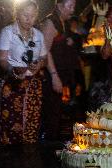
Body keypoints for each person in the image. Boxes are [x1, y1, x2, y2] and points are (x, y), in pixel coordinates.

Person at [0, 0, 47, 144]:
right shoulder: (7, 32)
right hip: (12, 85)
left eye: (32, 16)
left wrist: (38, 65)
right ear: (17, 14)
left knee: (31, 122)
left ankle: (29, 159)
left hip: (33, 86)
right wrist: (14, 69)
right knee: (11, 123)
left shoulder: (38, 35)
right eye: (25, 15)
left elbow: (44, 58)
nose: (29, 19)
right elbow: (2, 59)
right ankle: (9, 160)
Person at [40, 0, 77, 141]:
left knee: (57, 111)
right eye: (70, 6)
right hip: (51, 76)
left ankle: (52, 144)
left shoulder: (63, 22)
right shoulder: (51, 23)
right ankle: (45, 150)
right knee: (50, 113)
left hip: (62, 73)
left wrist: (69, 41)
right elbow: (45, 51)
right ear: (59, 6)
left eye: (74, 6)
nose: (73, 10)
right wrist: (54, 76)